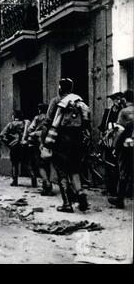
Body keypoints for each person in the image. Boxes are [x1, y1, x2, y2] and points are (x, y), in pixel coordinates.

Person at [42, 78, 90, 213]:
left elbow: (47, 122)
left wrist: (45, 142)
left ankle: (67, 204)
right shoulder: (78, 101)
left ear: (60, 88)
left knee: (61, 171)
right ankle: (80, 195)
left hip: (61, 140)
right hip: (77, 140)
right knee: (74, 169)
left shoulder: (56, 101)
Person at [108, 89, 134, 209]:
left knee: (123, 171)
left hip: (126, 146)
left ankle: (120, 200)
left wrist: (115, 146)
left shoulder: (123, 112)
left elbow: (119, 131)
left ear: (124, 99)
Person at [98, 92, 124, 196]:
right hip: (108, 142)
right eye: (115, 99)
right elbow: (102, 126)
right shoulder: (108, 112)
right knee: (108, 165)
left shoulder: (122, 112)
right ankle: (109, 188)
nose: (117, 101)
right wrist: (102, 138)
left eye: (119, 99)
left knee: (118, 166)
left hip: (118, 142)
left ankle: (118, 190)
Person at [26, 103, 53, 195]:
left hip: (38, 143)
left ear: (39, 110)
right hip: (49, 142)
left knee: (40, 165)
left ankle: (47, 184)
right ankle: (48, 185)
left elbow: (30, 129)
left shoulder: (37, 118)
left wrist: (33, 134)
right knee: (47, 164)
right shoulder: (50, 118)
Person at [0, 110, 31, 186]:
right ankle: (33, 180)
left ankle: (15, 181)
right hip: (24, 146)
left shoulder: (10, 124)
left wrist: (9, 144)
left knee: (14, 164)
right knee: (27, 163)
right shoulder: (25, 123)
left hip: (14, 146)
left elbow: (2, 135)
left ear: (14, 116)